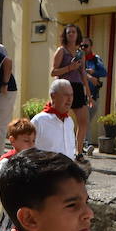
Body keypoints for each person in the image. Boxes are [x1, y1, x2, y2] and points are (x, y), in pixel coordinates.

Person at [49, 24, 89, 159]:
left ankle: (78, 152)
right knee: (59, 119)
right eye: (69, 32)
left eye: (73, 32)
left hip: (77, 87)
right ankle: (57, 149)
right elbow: (53, 71)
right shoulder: (61, 50)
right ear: (65, 35)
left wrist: (88, 93)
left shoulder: (80, 53)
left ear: (78, 34)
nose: (71, 34)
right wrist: (70, 67)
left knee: (83, 121)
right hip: (64, 86)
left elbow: (83, 72)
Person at [30, 79, 76, 159]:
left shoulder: (69, 121)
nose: (70, 99)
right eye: (66, 95)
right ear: (53, 96)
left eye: (71, 95)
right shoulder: (39, 121)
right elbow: (25, 151)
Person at [81, 38, 108, 147]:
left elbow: (104, 72)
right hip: (80, 94)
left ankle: (84, 144)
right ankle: (85, 144)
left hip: (92, 95)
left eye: (86, 46)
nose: (83, 48)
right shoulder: (79, 58)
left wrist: (94, 72)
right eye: (82, 46)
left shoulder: (95, 59)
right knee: (85, 120)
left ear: (91, 47)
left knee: (85, 120)